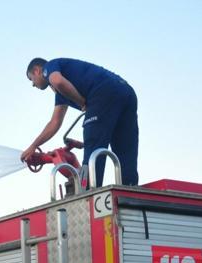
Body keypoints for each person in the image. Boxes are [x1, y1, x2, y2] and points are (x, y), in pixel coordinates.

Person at [20, 57, 139, 187]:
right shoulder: (62, 93)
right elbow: (55, 123)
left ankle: (90, 191)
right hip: (126, 91)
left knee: (94, 146)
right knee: (125, 146)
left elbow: (58, 81)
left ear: (37, 70)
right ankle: (130, 187)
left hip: (102, 92)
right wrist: (33, 146)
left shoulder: (50, 67)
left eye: (31, 79)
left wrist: (82, 103)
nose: (33, 84)